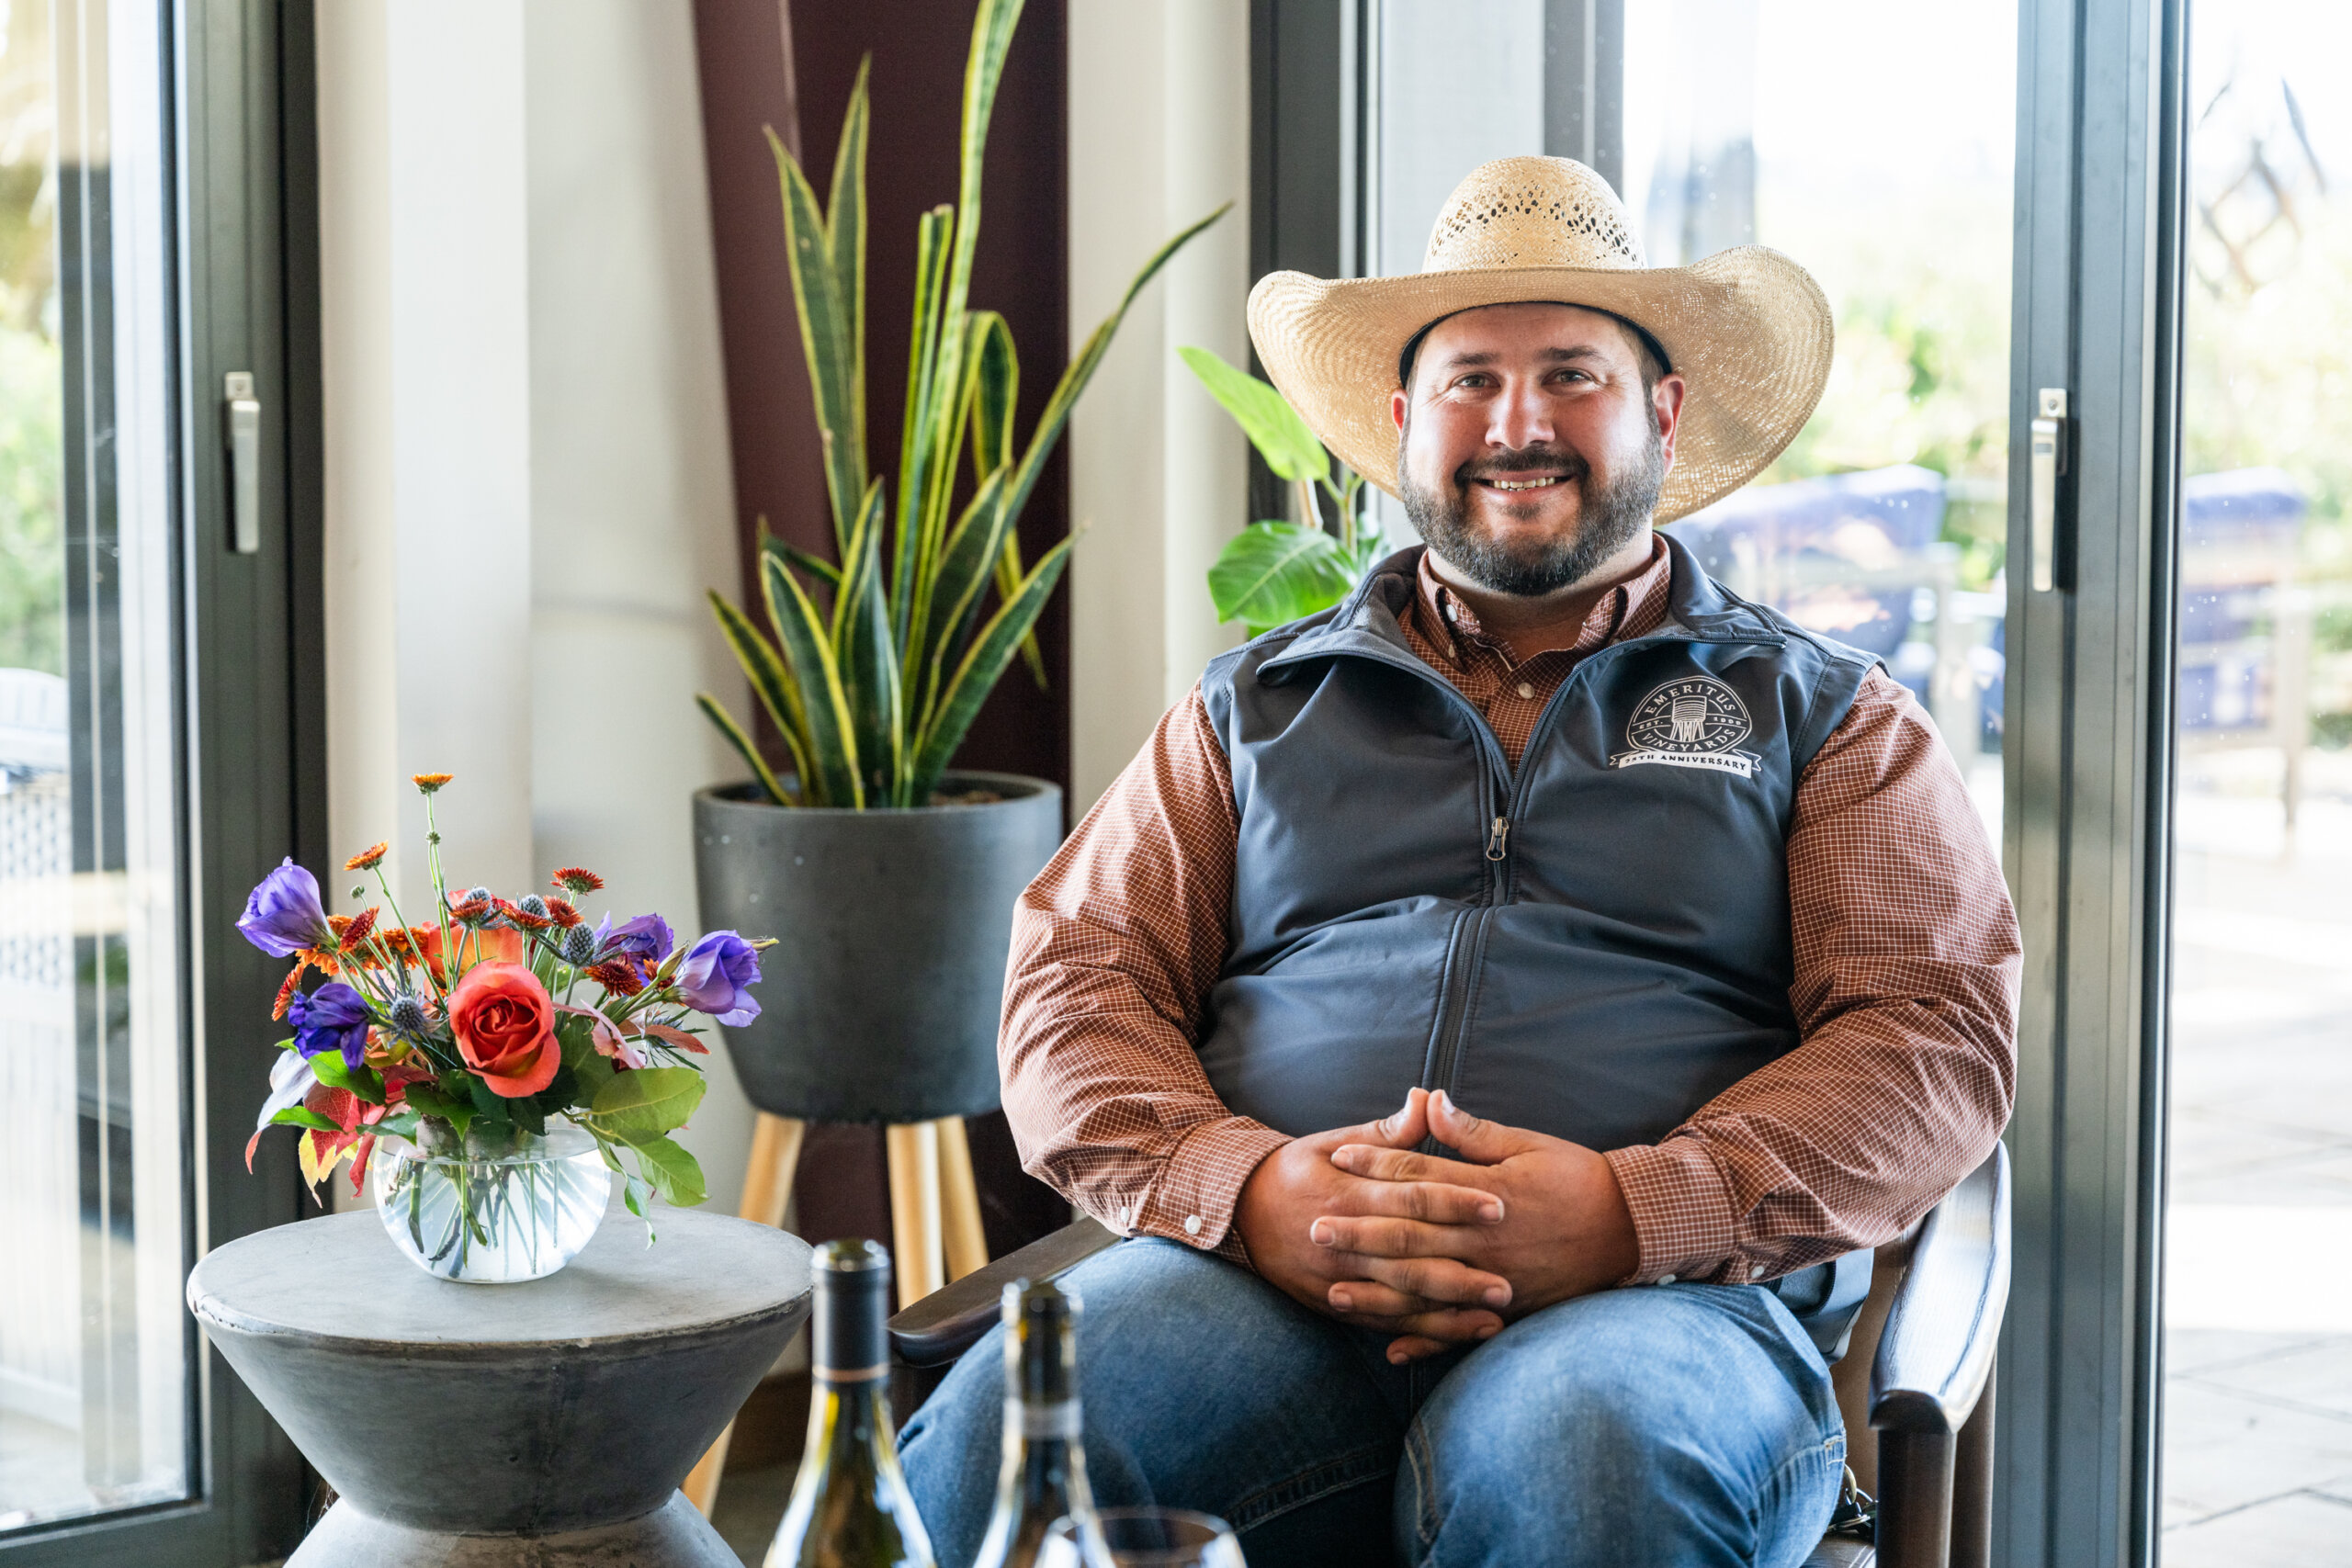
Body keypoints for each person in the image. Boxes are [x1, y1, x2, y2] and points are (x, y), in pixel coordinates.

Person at [900, 156, 2018, 1568]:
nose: (1519, 425)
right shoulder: (1251, 706)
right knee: (1016, 1428)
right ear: (1404, 422)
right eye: (1472, 382)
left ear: (1662, 414)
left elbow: (1932, 1036)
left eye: (1572, 376)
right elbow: (1077, 980)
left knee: (1585, 1460)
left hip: (1659, 1318)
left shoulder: (1827, 715)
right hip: (1261, 1301)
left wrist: (1632, 1211)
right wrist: (1248, 1190)